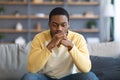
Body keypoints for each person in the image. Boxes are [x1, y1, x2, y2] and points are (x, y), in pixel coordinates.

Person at [21, 7, 99, 80]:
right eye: (55, 25)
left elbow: (86, 69)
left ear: (68, 24)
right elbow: (32, 69)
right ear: (49, 24)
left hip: (70, 77)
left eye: (63, 25)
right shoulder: (39, 38)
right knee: (28, 77)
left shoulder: (78, 38)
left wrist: (71, 47)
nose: (59, 29)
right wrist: (49, 46)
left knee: (90, 76)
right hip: (46, 77)